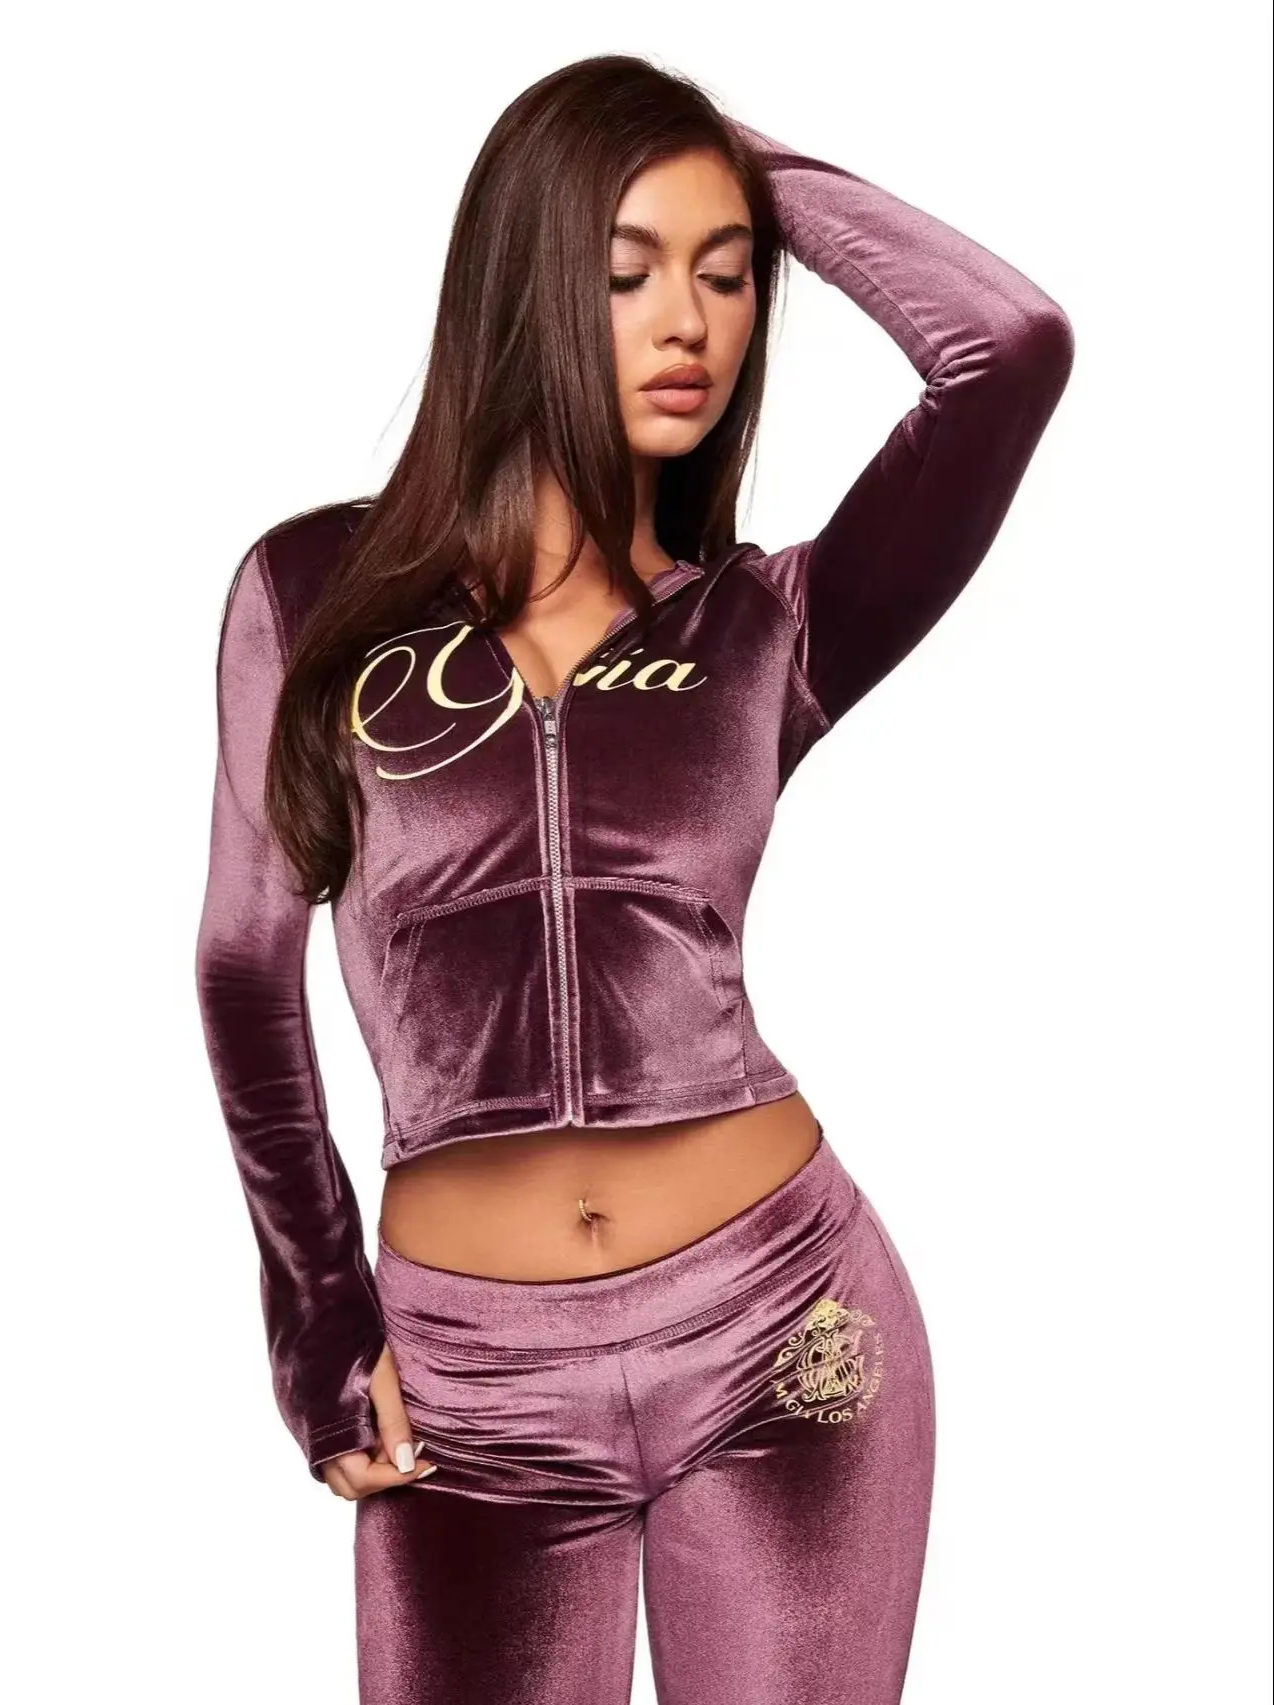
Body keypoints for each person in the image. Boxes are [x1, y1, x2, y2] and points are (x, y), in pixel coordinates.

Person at [194, 52, 1073, 1705]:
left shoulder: (768, 626)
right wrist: (317, 1316)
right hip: (467, 1391)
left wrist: (731, 155)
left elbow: (1005, 349)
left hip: (786, 1339)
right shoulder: (309, 595)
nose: (691, 324)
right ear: (524, 283)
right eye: (625, 270)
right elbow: (247, 969)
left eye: (726, 275)